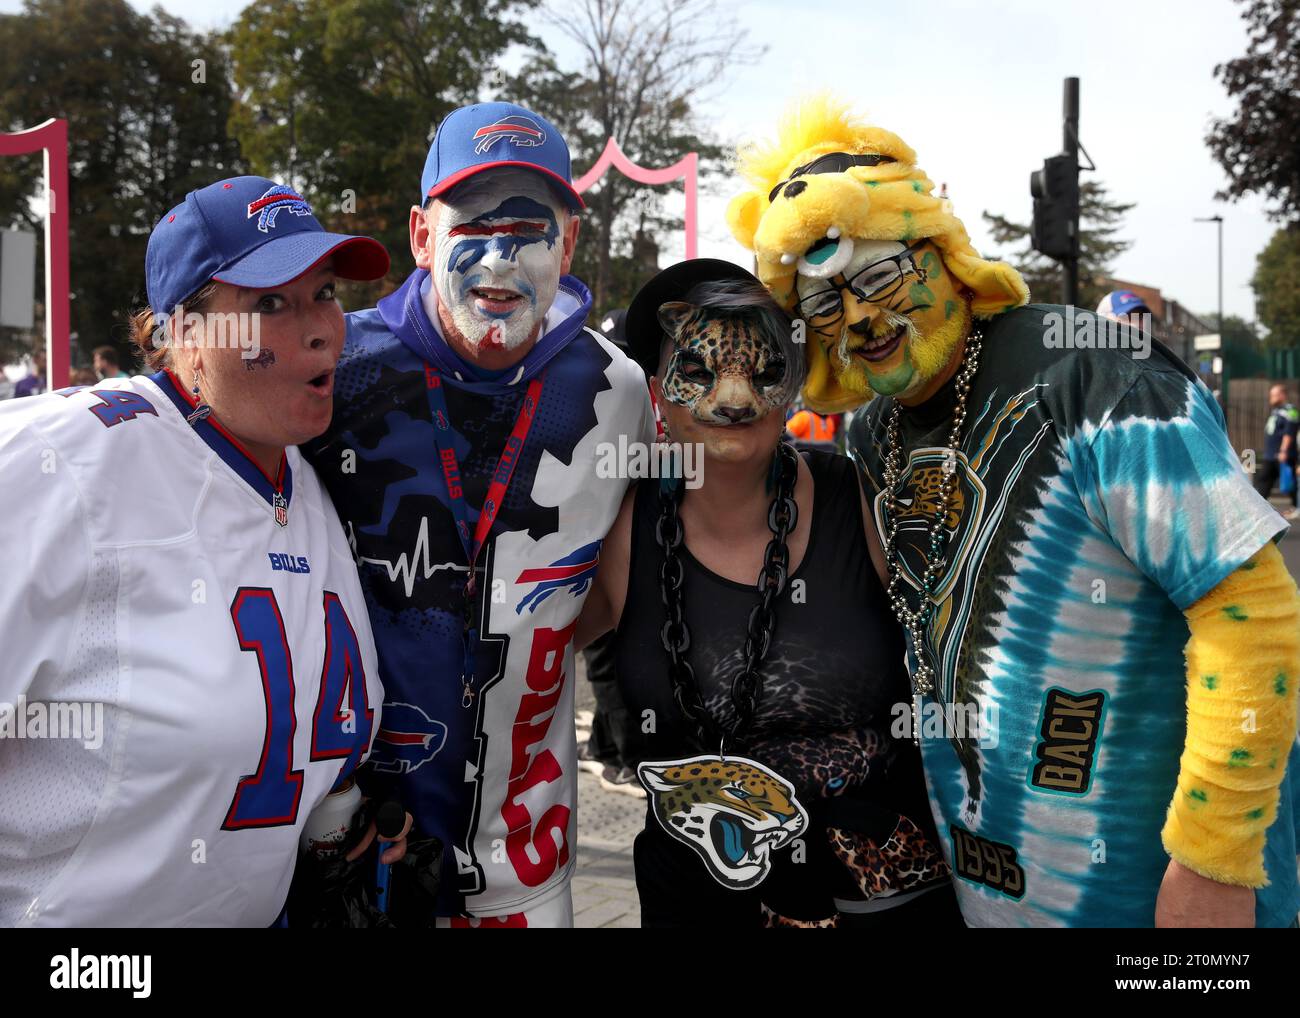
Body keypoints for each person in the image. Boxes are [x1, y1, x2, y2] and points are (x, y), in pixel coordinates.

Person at [727, 96, 1300, 927]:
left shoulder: (1096, 373)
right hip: (990, 891)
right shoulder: (875, 430)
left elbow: (1248, 609)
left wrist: (1214, 855)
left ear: (944, 252)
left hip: (1161, 894)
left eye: (880, 273)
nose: (857, 315)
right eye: (823, 302)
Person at [0, 175, 404, 926]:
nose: (320, 328)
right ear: (181, 333)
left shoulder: (303, 483)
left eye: (323, 293)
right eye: (270, 304)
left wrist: (341, 821)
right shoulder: (68, 463)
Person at [302, 101, 654, 927]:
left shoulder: (618, 389)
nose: (501, 256)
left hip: (527, 871)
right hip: (352, 854)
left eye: (530, 228)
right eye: (474, 225)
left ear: (567, 243)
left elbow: (620, 590)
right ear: (422, 236)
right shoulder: (337, 368)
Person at [577, 259, 957, 928]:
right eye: (698, 370)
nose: (734, 400)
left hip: (881, 894)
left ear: (796, 388)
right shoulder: (616, 526)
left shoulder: (861, 497)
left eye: (764, 369)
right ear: (658, 391)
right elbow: (513, 655)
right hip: (695, 904)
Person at [1253, 383, 1300, 522]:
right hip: (1271, 455)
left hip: (1283, 455)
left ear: (1282, 395)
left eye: (1273, 395)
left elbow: (1289, 432)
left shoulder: (1290, 410)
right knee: (1264, 481)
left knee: (1290, 483)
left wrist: (1283, 450)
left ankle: (1296, 506)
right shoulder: (1276, 410)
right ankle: (1258, 507)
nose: (1270, 398)